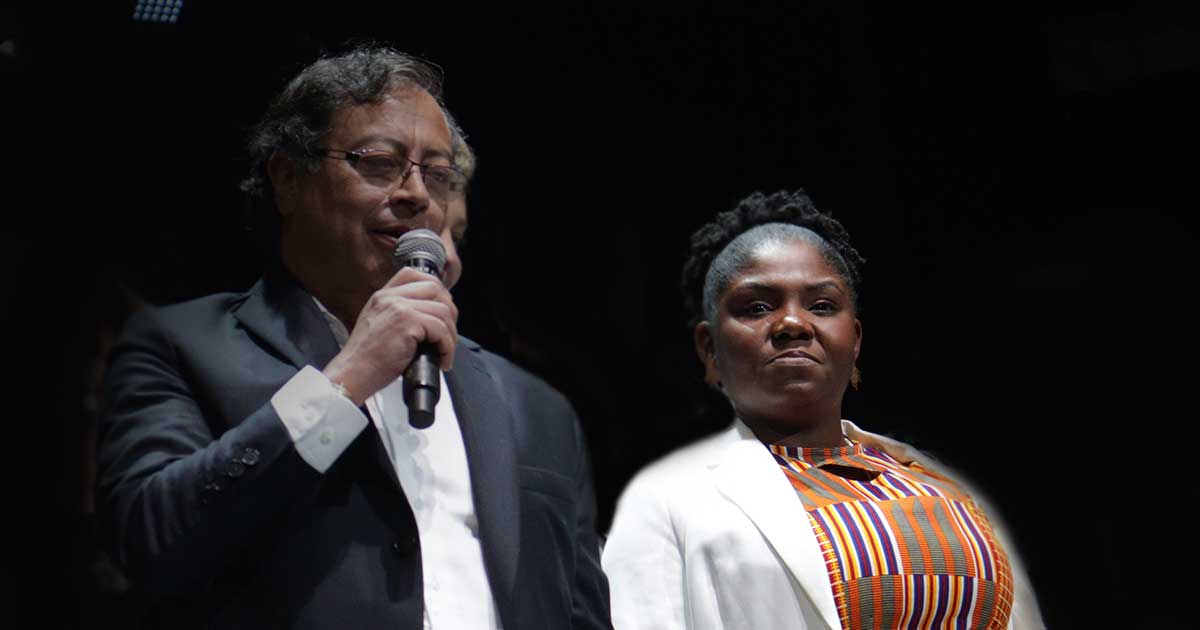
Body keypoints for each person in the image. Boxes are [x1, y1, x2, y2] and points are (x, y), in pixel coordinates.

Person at [97, 45, 611, 630]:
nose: (416, 194)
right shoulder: (180, 347)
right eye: (380, 163)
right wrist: (345, 380)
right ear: (288, 178)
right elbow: (153, 546)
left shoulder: (536, 406)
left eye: (437, 174)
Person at [601, 189, 1043, 630]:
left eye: (822, 306)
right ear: (709, 347)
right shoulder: (665, 503)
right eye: (758, 307)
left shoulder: (945, 488)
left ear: (855, 340)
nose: (793, 324)